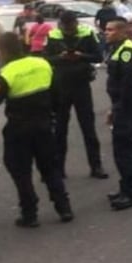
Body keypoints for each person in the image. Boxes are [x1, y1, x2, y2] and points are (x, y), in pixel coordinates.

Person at [0, 33, 73, 227]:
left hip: (19, 129)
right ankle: (64, 207)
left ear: (4, 50)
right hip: (43, 126)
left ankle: (30, 214)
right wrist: (54, 117)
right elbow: (58, 95)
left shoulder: (7, 74)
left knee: (20, 172)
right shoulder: (42, 64)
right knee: (50, 168)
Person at [44, 10, 106, 179]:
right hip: (60, 86)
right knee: (59, 130)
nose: (69, 31)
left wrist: (81, 56)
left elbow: (98, 56)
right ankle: (58, 168)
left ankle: (96, 166)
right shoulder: (53, 35)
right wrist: (61, 57)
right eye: (67, 28)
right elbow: (46, 59)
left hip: (81, 85)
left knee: (88, 128)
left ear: (76, 24)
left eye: (72, 28)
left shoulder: (87, 33)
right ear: (61, 25)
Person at [103, 18, 132, 211]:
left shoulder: (127, 51)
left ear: (121, 32)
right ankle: (125, 188)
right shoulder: (119, 49)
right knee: (120, 149)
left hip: (128, 107)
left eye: (111, 30)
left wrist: (117, 108)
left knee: (124, 149)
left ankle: (130, 193)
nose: (106, 32)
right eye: (106, 29)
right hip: (122, 105)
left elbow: (127, 86)